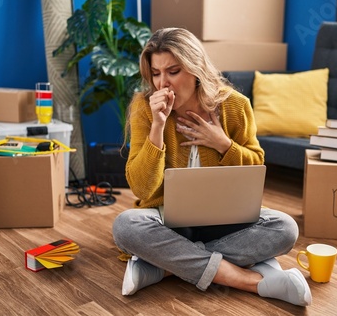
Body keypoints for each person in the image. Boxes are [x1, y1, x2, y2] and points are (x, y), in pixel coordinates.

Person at [112, 27, 312, 307]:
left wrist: (224, 145)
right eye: (156, 73)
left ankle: (164, 266)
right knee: (125, 226)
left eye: (173, 71)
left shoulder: (234, 106)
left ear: (195, 68)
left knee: (286, 228)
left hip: (227, 221)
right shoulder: (145, 108)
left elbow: (256, 166)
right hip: (168, 221)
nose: (162, 84)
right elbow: (142, 188)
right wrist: (157, 127)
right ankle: (249, 280)